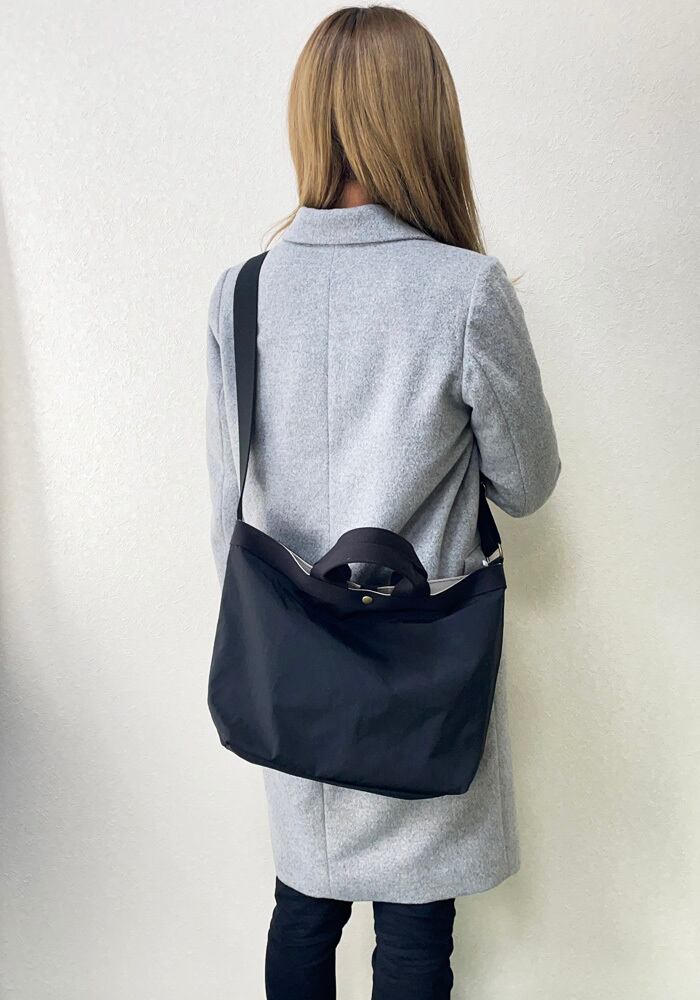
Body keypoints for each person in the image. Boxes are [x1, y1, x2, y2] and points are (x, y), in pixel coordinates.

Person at [206, 6, 561, 998]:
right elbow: (528, 484)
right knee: (414, 933)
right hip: (419, 675)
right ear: (425, 120)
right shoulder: (466, 291)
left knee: (302, 905)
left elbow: (224, 513)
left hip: (293, 671)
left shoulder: (242, 292)